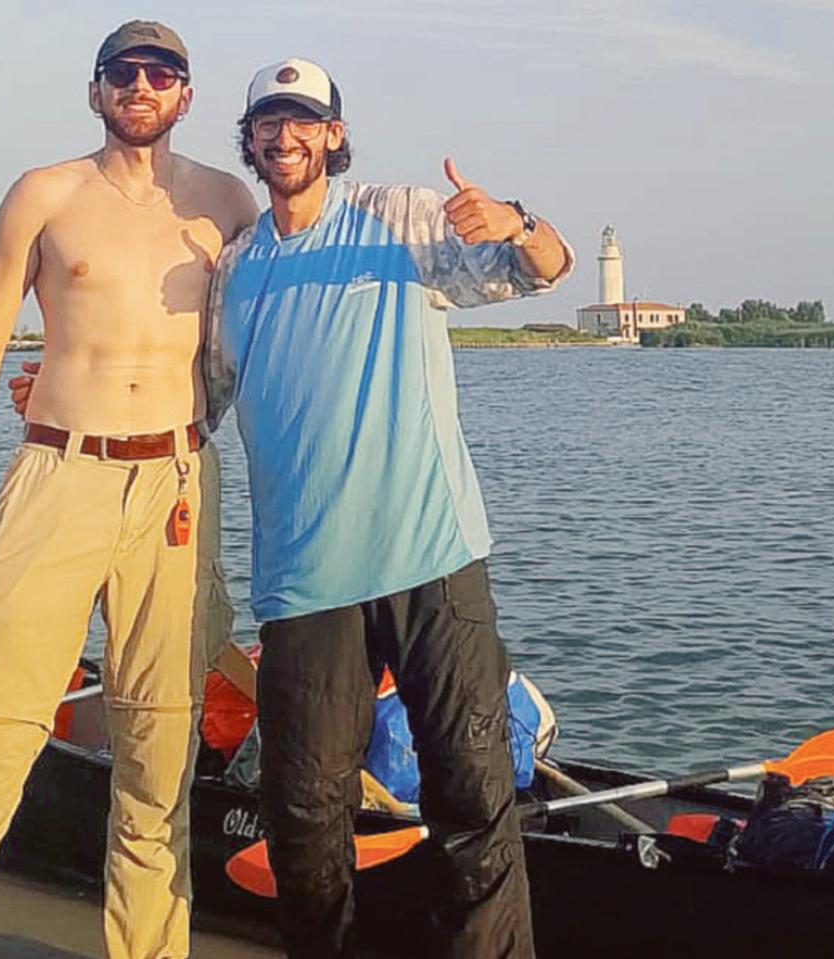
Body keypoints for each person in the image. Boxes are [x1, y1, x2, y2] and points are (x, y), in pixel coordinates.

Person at [0, 21, 257, 959]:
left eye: (161, 73)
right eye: (124, 72)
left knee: (158, 763)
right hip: (57, 472)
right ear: (96, 90)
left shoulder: (227, 203)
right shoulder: (46, 193)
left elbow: (273, 330)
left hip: (178, 484)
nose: (141, 85)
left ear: (186, 95)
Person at [213, 59, 572, 959]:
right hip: (305, 583)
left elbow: (544, 272)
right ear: (250, 138)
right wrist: (68, 394)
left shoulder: (397, 217)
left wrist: (520, 224)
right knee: (303, 820)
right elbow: (193, 402)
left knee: (472, 799)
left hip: (433, 559)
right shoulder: (235, 269)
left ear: (334, 135)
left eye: (305, 120)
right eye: (269, 121)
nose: (286, 136)